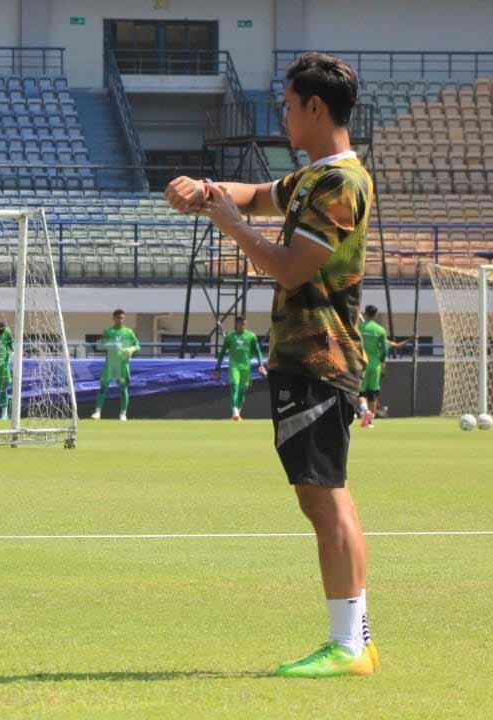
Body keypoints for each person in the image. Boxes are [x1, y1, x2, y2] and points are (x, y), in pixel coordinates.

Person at [165, 52, 379, 678]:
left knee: (324, 501)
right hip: (307, 359)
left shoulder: (341, 183)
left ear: (315, 107)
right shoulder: (314, 177)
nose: (282, 117)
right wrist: (206, 192)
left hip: (319, 358)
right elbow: (257, 195)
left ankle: (347, 647)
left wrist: (230, 225)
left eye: (287, 106)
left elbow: (289, 268)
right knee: (331, 498)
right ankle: (357, 639)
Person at [358, 305, 409, 428]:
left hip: (362, 364)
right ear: (375, 315)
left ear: (365, 313)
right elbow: (385, 350)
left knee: (361, 393)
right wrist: (382, 362)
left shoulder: (359, 328)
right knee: (373, 394)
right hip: (376, 366)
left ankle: (365, 411)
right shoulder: (380, 330)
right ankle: (370, 422)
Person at [211, 315, 267, 421]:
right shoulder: (230, 337)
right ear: (236, 324)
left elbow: (258, 351)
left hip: (246, 367)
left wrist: (261, 364)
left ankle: (237, 413)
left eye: (244, 324)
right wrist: (217, 368)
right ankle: (235, 412)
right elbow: (222, 353)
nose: (243, 325)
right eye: (241, 323)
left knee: (242, 391)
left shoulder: (251, 336)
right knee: (234, 387)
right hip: (234, 366)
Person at [91, 309, 140, 421]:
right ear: (113, 318)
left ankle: (123, 414)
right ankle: (97, 412)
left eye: (122, 318)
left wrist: (131, 349)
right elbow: (100, 345)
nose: (120, 320)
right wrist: (111, 345)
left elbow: (138, 345)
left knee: (123, 389)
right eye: (118, 318)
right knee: (103, 387)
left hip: (123, 364)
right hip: (110, 364)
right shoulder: (108, 331)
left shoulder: (128, 332)